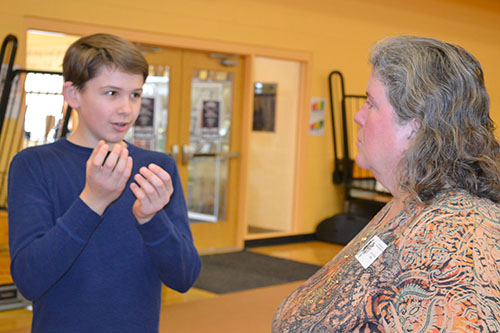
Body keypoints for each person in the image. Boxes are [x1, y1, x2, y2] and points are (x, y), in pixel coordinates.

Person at [273, 36, 500, 332]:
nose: (358, 115)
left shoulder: (461, 238)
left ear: (413, 129)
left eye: (371, 103)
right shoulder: (407, 203)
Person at [7, 33, 201, 332]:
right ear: (73, 95)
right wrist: (93, 199)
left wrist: (151, 219)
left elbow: (184, 277)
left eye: (135, 94)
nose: (127, 108)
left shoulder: (157, 168)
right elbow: (30, 280)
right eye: (112, 93)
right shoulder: (33, 165)